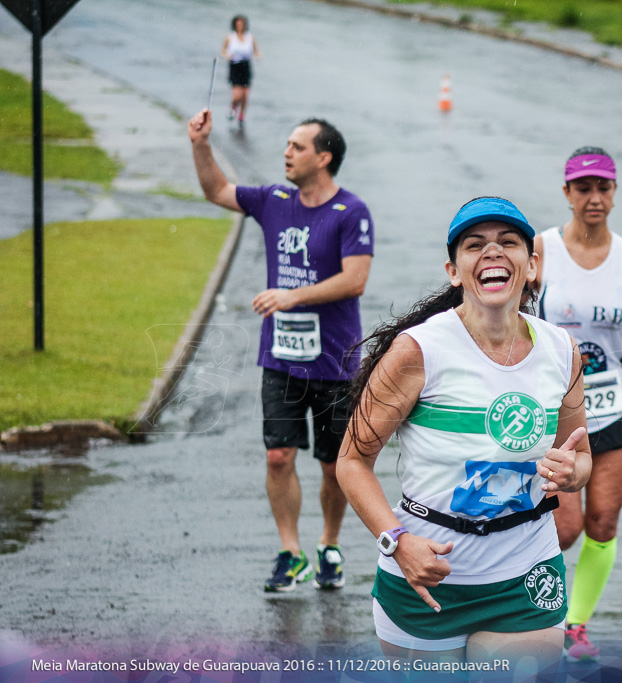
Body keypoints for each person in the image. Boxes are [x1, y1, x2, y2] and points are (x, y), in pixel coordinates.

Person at [336, 197, 592, 667]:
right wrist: (397, 542)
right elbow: (351, 462)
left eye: (508, 242)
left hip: (525, 576)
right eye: (475, 245)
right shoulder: (418, 351)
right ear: (455, 270)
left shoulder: (561, 349)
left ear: (531, 265)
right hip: (427, 579)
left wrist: (573, 473)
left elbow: (580, 457)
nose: (492, 252)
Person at [187, 108, 374, 592]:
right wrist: (201, 145)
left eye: (297, 146)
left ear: (324, 157)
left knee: (335, 466)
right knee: (278, 457)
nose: (286, 153)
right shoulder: (273, 199)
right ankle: (290, 552)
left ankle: (329, 545)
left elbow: (355, 280)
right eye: (287, 145)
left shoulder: (351, 212)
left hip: (335, 361)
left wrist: (292, 295)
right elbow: (216, 191)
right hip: (282, 359)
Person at [534, 147, 622, 661]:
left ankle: (575, 625)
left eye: (603, 188)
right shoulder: (539, 250)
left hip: (613, 409)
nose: (594, 198)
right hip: (554, 413)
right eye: (583, 188)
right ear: (567, 193)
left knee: (603, 524)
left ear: (614, 193)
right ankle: (530, 612)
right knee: (564, 528)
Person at [221, 14, 260, 129]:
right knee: (237, 95)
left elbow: (256, 50)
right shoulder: (230, 37)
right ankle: (233, 107)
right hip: (234, 66)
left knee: (245, 95)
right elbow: (223, 50)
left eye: (242, 24)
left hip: (246, 66)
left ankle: (242, 116)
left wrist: (258, 56)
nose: (240, 26)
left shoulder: (250, 37)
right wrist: (227, 55)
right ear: (235, 25)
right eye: (238, 24)